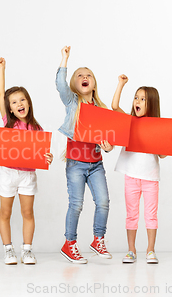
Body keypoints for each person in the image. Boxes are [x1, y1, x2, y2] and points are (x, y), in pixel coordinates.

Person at [111, 74, 172, 264]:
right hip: (131, 176)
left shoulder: (157, 127)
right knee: (131, 214)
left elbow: (162, 154)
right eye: (136, 97)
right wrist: (121, 84)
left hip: (150, 177)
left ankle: (150, 250)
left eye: (143, 99)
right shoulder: (129, 121)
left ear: (151, 104)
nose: (138, 101)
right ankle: (131, 250)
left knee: (151, 215)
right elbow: (114, 107)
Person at [56, 46, 114, 264]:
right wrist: (64, 59)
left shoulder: (101, 108)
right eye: (80, 75)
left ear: (94, 83)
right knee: (77, 204)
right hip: (76, 164)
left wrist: (108, 147)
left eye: (88, 75)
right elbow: (60, 85)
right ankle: (69, 244)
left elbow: (109, 141)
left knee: (104, 202)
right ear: (75, 83)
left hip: (96, 164)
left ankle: (98, 240)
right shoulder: (72, 103)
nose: (84, 77)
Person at [0, 57, 53, 265]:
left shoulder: (37, 129)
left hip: (27, 175)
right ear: (9, 108)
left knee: (27, 212)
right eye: (14, 102)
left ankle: (27, 250)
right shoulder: (8, 124)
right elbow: (1, 94)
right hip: (8, 173)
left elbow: (42, 153)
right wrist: (2, 70)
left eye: (22, 100)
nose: (19, 104)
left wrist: (48, 157)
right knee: (5, 212)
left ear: (28, 102)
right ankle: (8, 249)